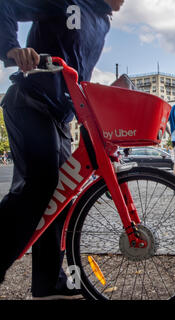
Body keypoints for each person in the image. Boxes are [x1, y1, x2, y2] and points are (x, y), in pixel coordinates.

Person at [0, 0, 125, 299]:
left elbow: (77, 68)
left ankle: (47, 282)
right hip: (30, 103)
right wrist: (12, 49)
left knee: (63, 194)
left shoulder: (102, 21)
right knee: (39, 184)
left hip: (59, 116)